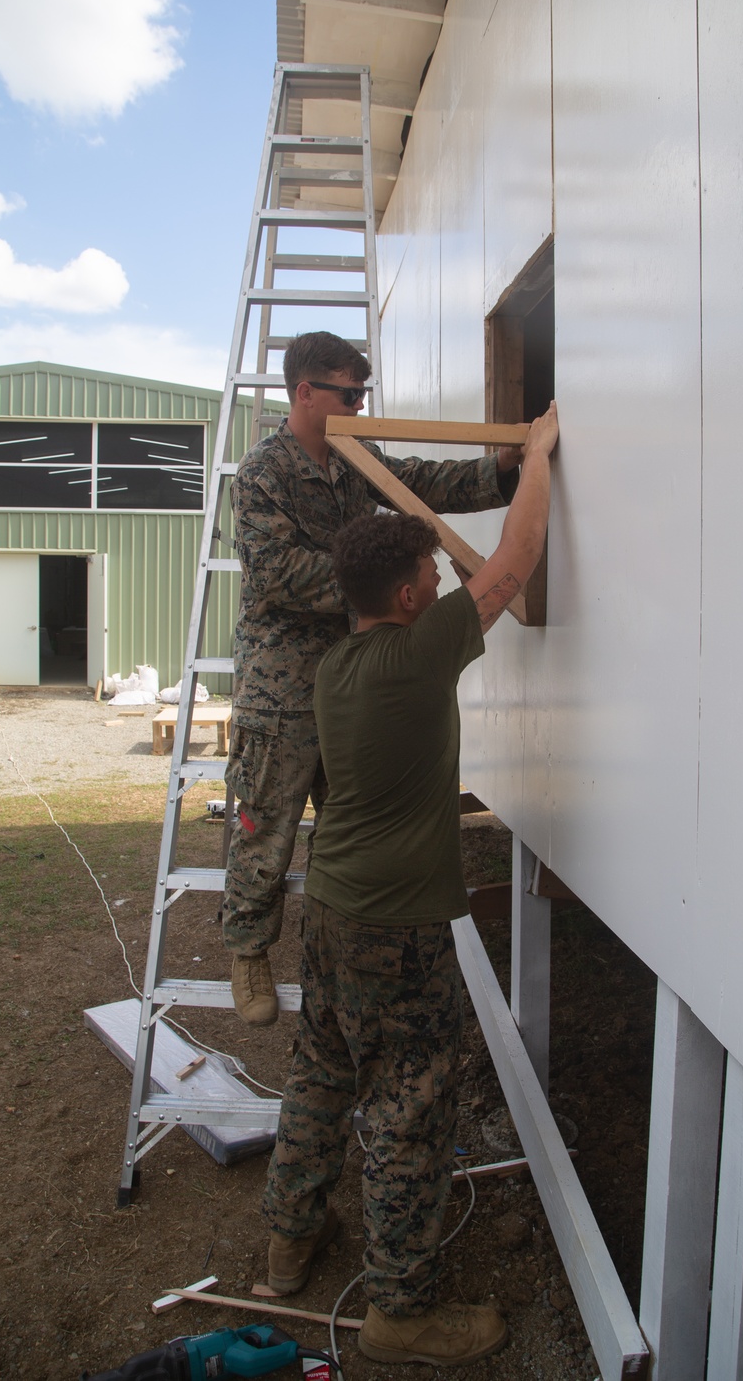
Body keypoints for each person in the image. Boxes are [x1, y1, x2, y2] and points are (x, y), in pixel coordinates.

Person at [261, 403, 559, 1367]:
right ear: (401, 595)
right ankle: (400, 1311)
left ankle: (289, 1240)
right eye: (432, 574)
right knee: (409, 1108)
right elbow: (512, 567)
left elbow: (477, 574)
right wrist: (540, 455)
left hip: (332, 908)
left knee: (323, 1070)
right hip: (395, 925)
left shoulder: (340, 666)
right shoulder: (416, 656)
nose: (444, 584)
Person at [224, 330, 525, 1026]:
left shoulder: (356, 458)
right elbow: (276, 575)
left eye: (363, 394)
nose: (359, 405)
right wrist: (374, 584)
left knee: (346, 818)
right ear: (304, 393)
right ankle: (246, 946)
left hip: (351, 672)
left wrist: (503, 470)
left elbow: (420, 483)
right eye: (348, 394)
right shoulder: (263, 473)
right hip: (284, 681)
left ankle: (327, 948)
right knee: (265, 815)